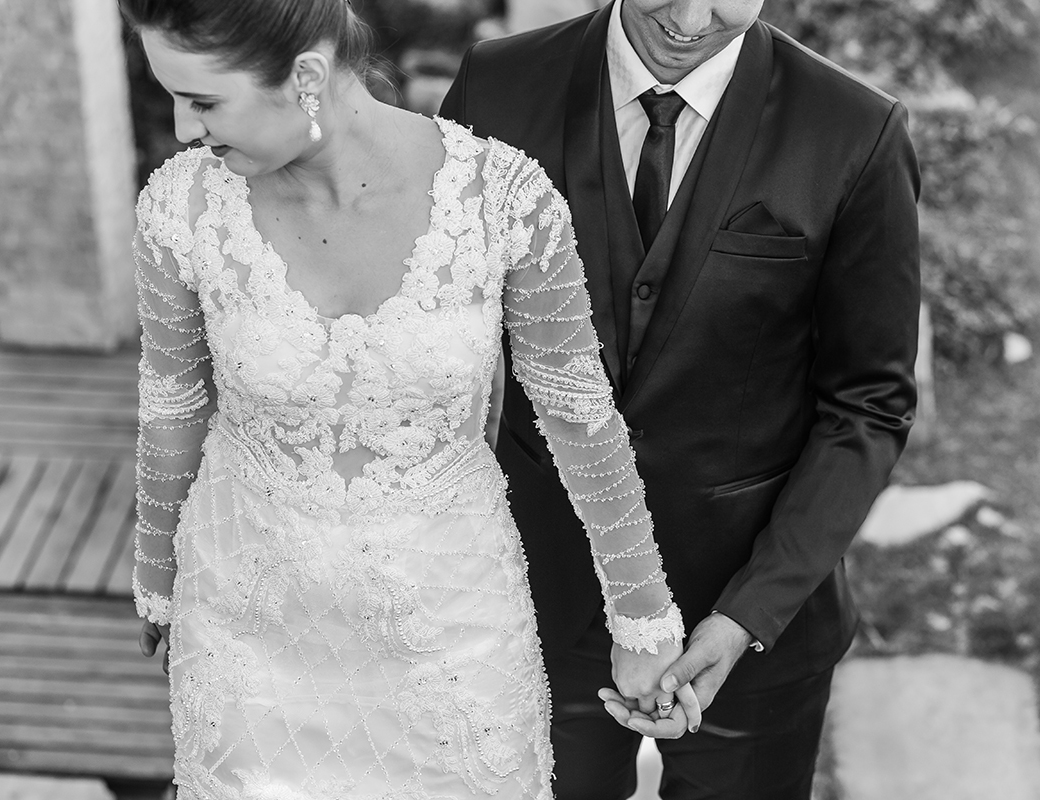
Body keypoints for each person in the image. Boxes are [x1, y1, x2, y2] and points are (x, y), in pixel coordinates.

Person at [124, 0, 695, 796]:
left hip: (451, 629)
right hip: (248, 626)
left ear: (306, 76)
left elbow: (579, 416)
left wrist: (642, 617)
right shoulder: (181, 206)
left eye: (204, 101)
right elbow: (174, 406)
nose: (185, 128)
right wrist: (157, 578)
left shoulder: (504, 199)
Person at [440, 0, 921, 797]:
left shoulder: (856, 131)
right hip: (532, 600)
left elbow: (867, 404)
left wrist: (746, 617)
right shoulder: (498, 84)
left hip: (744, 622)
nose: (691, 19)